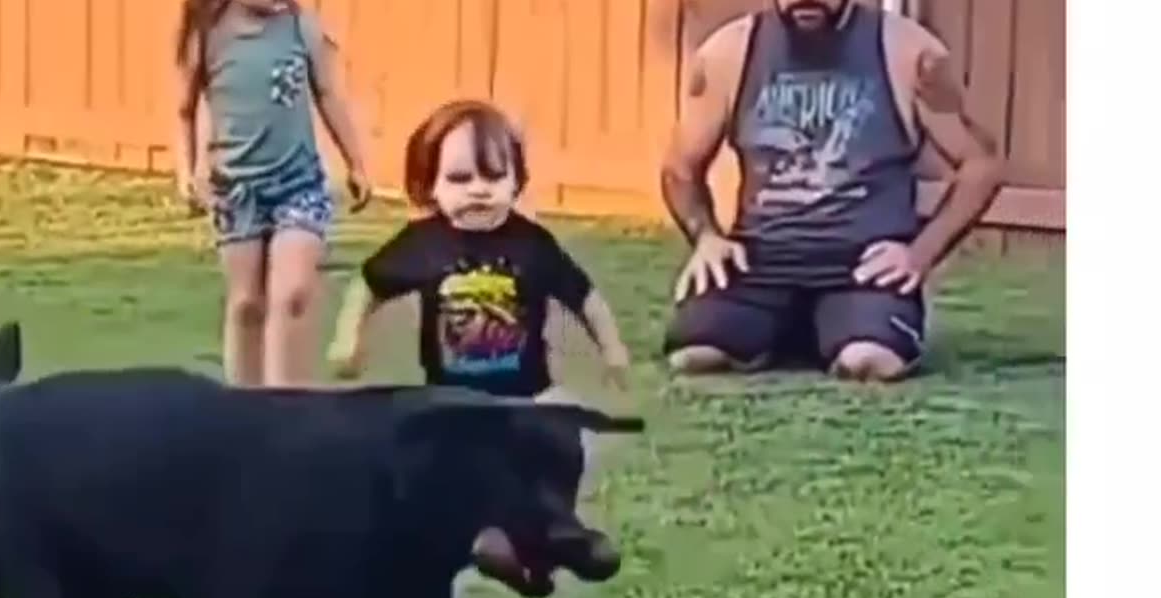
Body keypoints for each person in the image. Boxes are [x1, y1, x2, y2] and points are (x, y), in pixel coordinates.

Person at [661, 0, 1003, 382]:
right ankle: (796, 327)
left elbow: (981, 165)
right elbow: (681, 167)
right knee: (695, 355)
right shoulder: (730, 52)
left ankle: (842, 325)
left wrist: (919, 255)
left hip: (863, 268)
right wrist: (706, 237)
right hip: (760, 262)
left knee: (868, 362)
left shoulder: (908, 51)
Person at [326, 99, 631, 402]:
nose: (478, 189)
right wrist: (348, 339)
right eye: (459, 178)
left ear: (516, 181)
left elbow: (586, 299)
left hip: (527, 399)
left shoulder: (533, 244)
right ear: (431, 184)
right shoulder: (423, 243)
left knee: (560, 417)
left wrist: (613, 350)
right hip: (449, 403)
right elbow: (369, 285)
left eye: (494, 176)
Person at [173, 0, 371, 387]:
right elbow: (185, 109)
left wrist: (356, 163)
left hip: (299, 185)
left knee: (292, 293)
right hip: (237, 192)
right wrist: (187, 172)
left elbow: (328, 94)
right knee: (246, 303)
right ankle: (244, 410)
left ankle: (286, 405)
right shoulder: (208, 33)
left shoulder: (299, 26)